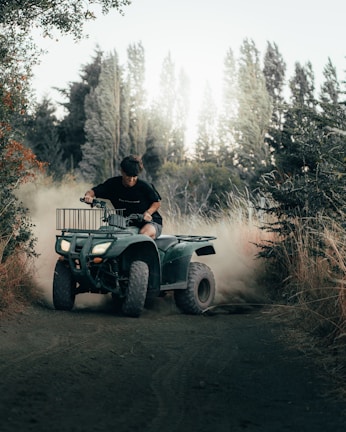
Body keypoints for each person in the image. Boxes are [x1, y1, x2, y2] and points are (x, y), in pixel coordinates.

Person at [84, 155, 162, 239]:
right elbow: (93, 191)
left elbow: (157, 202)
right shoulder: (113, 184)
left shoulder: (145, 186)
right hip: (124, 223)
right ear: (122, 171)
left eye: (134, 176)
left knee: (142, 236)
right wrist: (88, 196)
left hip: (149, 222)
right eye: (128, 176)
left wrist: (148, 213)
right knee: (106, 235)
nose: (131, 179)